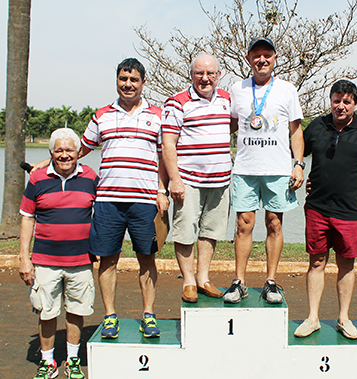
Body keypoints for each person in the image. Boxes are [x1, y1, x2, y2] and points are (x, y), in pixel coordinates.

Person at [81, 58, 169, 338]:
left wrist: (162, 191)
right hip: (107, 200)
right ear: (116, 81)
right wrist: (47, 164)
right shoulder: (101, 115)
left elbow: (163, 157)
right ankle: (109, 316)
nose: (127, 84)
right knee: (107, 260)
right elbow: (80, 149)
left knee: (147, 259)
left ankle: (149, 315)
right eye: (123, 79)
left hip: (145, 201)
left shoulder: (157, 115)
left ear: (143, 82)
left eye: (133, 80)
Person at [294, 79, 357, 340]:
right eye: (336, 100)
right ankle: (312, 318)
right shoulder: (316, 126)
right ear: (331, 101)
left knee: (347, 264)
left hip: (350, 211)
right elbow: (299, 153)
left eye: (347, 101)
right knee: (317, 262)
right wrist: (298, 168)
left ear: (355, 104)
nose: (341, 106)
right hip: (317, 207)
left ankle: (343, 318)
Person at [223, 37, 305, 304]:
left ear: (275, 57)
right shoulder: (237, 89)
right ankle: (240, 282)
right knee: (243, 225)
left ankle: (270, 282)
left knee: (274, 224)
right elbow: (230, 125)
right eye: (256, 55)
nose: (262, 60)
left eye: (267, 55)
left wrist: (298, 163)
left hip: (278, 169)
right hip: (246, 168)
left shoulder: (287, 90)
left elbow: (295, 130)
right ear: (248, 59)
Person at [19, 128, 98, 379]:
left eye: (69, 150)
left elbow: (105, 214)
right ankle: (48, 362)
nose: (64, 155)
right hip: (45, 260)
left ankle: (72, 361)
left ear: (79, 152)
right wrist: (24, 258)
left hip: (81, 259)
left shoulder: (91, 177)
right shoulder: (37, 179)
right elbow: (27, 219)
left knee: (76, 311)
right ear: (51, 152)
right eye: (59, 150)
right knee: (47, 311)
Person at [161, 54, 231, 303]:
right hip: (188, 180)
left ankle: (203, 278)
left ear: (218, 75)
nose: (205, 78)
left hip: (221, 181)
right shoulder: (177, 102)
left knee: (210, 231)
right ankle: (189, 281)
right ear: (191, 75)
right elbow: (168, 144)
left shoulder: (227, 100)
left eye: (210, 73)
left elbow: (231, 127)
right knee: (185, 230)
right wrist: (174, 180)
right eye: (199, 73)